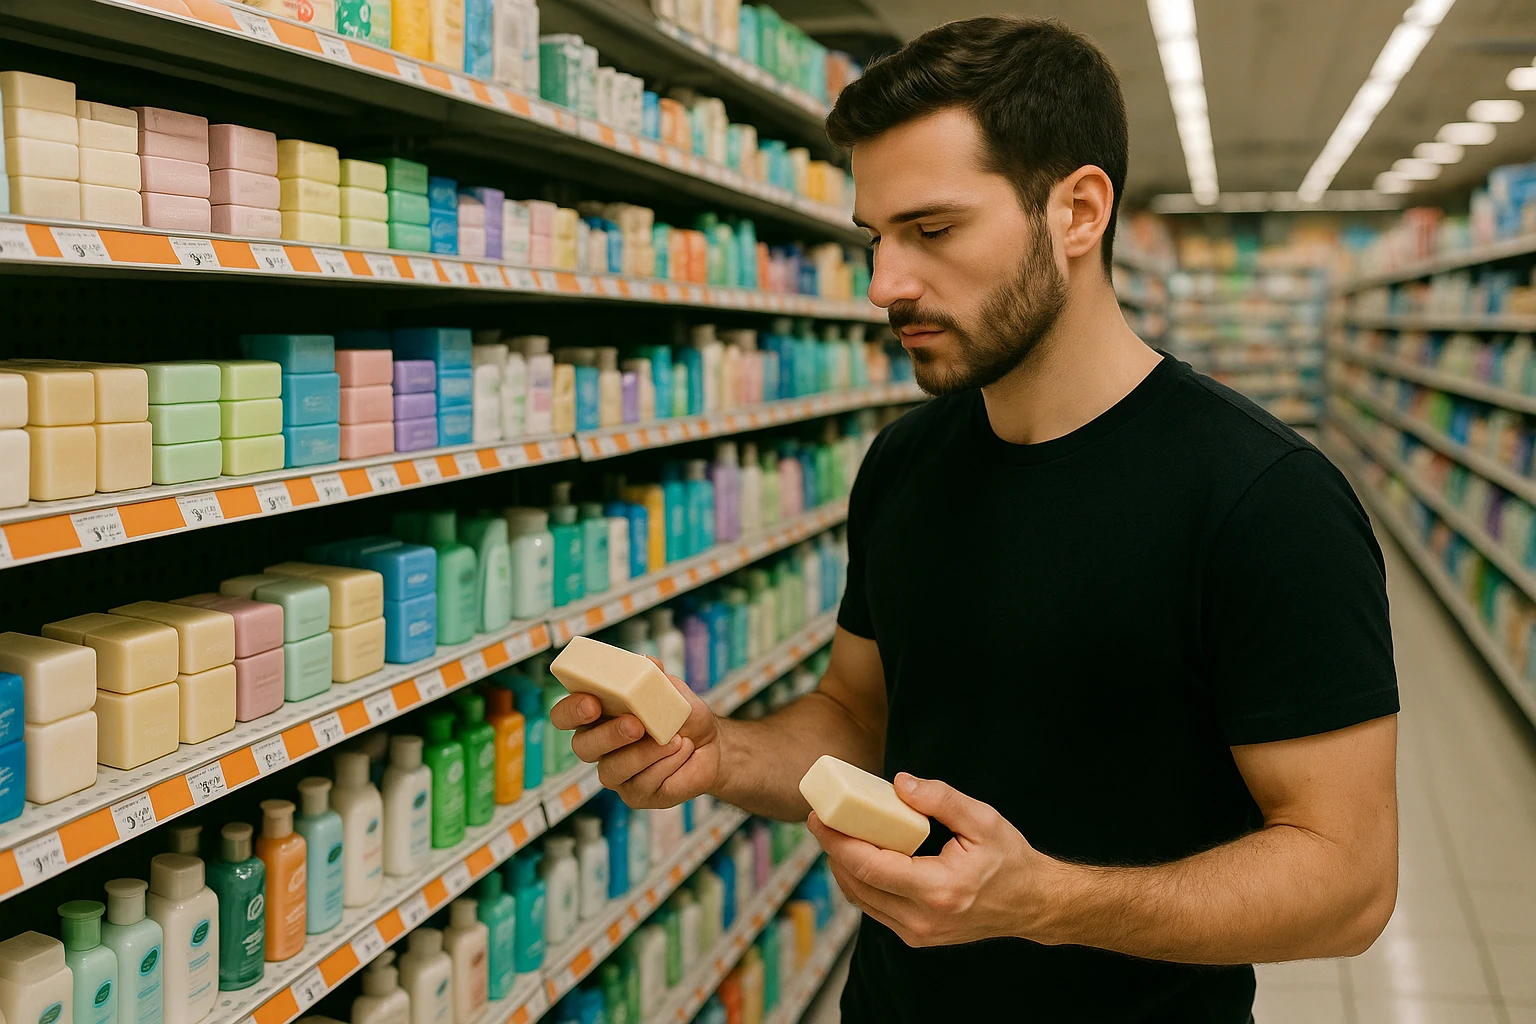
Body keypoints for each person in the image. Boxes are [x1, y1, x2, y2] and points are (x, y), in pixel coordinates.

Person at [552, 15, 1400, 1023]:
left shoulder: (1264, 498)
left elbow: (1348, 881)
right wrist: (720, 753)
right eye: (876, 237)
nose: (883, 285)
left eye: (933, 230)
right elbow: (860, 717)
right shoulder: (905, 463)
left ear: (1078, 211)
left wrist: (1041, 900)